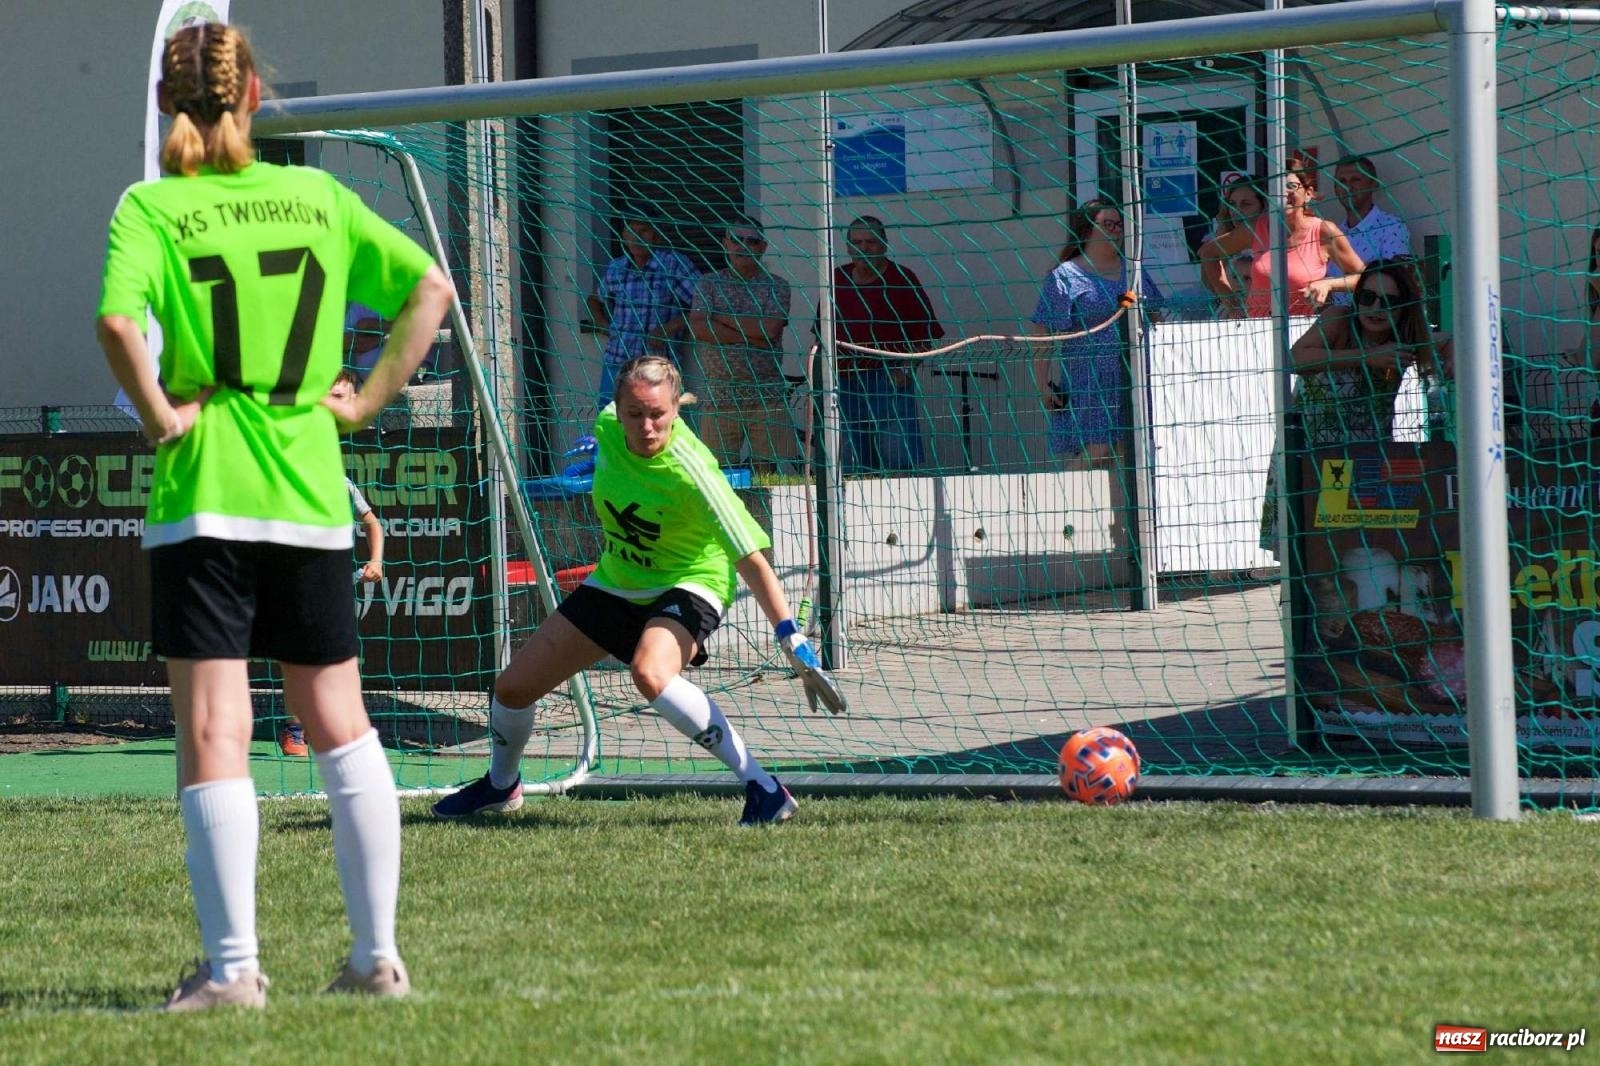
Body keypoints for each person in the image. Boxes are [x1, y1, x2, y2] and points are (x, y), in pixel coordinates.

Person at [95, 23, 453, 1010]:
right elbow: (431, 286)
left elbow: (120, 325)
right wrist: (371, 398)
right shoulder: (317, 196)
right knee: (341, 723)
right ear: (254, 92)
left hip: (205, 489)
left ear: (169, 102)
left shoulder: (153, 206)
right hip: (306, 485)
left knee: (215, 723)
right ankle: (378, 958)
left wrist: (166, 414)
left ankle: (235, 972)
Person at [431, 355, 843, 826]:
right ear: (617, 409)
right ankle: (501, 786)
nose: (646, 426)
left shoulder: (694, 472)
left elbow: (750, 558)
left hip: (690, 581)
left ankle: (763, 789)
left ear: (676, 409)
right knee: (512, 688)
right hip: (618, 580)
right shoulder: (607, 428)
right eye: (635, 414)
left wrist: (790, 636)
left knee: (650, 672)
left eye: (658, 414)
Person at [1260, 257, 1451, 545]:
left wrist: (1450, 361)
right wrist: (1365, 357)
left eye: (1388, 302)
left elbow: (1449, 340)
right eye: (1368, 297)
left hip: (1363, 461)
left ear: (1403, 309)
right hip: (1310, 456)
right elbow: (1297, 358)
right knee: (1304, 554)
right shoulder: (1339, 320)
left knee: (1357, 551)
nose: (1376, 308)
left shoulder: (1405, 338)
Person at [279, 370, 387, 758]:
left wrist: (375, 560)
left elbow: (373, 523)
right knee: (298, 659)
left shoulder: (341, 484)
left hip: (335, 585)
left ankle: (343, 728)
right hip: (291, 581)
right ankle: (295, 728)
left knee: (343, 661)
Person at [1028, 199, 1163, 462]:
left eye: (1120, 225)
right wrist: (1042, 384)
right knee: (1097, 451)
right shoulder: (1066, 275)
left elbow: (1157, 318)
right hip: (1090, 382)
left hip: (1135, 377)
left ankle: (1119, 505)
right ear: (1088, 229)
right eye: (1108, 224)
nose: (1116, 231)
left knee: (1128, 452)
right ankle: (1064, 500)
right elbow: (1043, 332)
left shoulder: (1133, 271)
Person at [825, 215, 944, 472]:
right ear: (847, 246)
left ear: (883, 244)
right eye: (856, 242)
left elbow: (926, 335)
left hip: (889, 381)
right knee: (851, 466)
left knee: (897, 462)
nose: (863, 248)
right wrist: (824, 375)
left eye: (870, 241)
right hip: (844, 384)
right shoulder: (836, 279)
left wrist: (904, 370)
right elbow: (820, 334)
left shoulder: (902, 279)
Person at [686, 216, 795, 473]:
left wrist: (719, 317)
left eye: (752, 241)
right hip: (719, 394)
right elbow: (699, 327)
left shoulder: (777, 286)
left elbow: (770, 330)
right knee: (718, 474)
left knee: (765, 473)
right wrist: (751, 333)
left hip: (766, 394)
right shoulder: (708, 283)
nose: (743, 246)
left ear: (763, 247)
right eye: (736, 240)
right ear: (725, 243)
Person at [1199, 157, 1363, 317]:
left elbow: (1364, 276)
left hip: (1303, 331)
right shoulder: (1258, 227)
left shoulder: (1323, 231)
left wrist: (1329, 284)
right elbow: (1208, 254)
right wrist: (1231, 302)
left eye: (1291, 186)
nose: (1283, 192)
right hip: (1258, 329)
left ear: (1308, 193)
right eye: (1276, 187)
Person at [585, 206, 700, 407]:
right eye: (631, 230)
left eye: (644, 230)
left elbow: (704, 306)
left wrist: (669, 328)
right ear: (623, 234)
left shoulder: (673, 264)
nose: (637, 237)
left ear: (656, 234)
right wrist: (604, 325)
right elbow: (594, 299)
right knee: (611, 421)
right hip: (618, 361)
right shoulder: (617, 268)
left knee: (657, 425)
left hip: (657, 364)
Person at [1318, 155, 1413, 304]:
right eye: (1341, 181)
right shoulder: (1333, 234)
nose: (1348, 187)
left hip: (1374, 320)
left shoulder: (1391, 227)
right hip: (1336, 321)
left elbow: (1393, 280)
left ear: (1373, 184)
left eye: (1356, 180)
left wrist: (1331, 284)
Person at [1200, 177, 1268, 319]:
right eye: (1232, 204)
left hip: (1268, 314)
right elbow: (1210, 285)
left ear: (1263, 206)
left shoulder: (1274, 237)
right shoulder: (1221, 239)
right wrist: (1231, 305)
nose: (1236, 210)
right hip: (1231, 318)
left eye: (1246, 204)